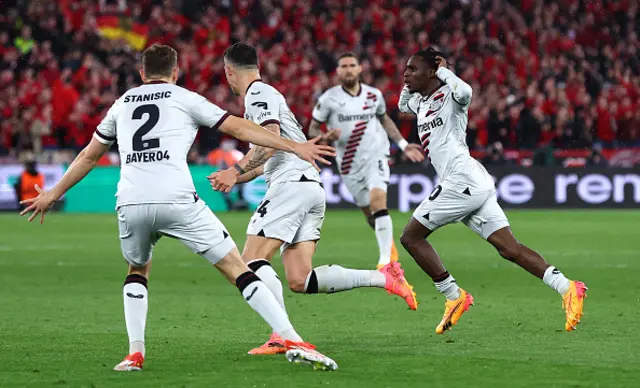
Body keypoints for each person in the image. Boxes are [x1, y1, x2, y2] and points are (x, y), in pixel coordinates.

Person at [19, 44, 339, 372]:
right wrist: (293, 145)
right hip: (177, 198)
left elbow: (89, 155)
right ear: (175, 73)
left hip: (131, 201)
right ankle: (291, 338)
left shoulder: (122, 103)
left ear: (142, 74)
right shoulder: (184, 97)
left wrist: (53, 193)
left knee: (137, 270)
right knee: (237, 267)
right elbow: (240, 129)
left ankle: (134, 354)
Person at [209, 43, 418, 356]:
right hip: (309, 187)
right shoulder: (267, 95)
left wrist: (235, 168)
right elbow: (269, 156)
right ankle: (384, 277)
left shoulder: (258, 94)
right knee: (300, 278)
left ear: (229, 71)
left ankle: (282, 335)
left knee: (250, 261)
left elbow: (266, 144)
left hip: (291, 186)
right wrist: (236, 177)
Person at [397, 48, 587, 334]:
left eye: (412, 69)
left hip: (461, 180)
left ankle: (453, 296)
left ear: (432, 72)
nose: (406, 73)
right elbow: (402, 105)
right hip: (471, 181)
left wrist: (443, 70)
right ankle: (568, 287)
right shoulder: (420, 103)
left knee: (411, 237)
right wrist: (412, 81)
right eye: (406, 69)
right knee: (509, 249)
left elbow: (467, 91)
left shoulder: (452, 96)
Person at [308, 52, 424, 269]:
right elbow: (312, 127)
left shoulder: (373, 95)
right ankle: (387, 245)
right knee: (369, 212)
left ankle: (385, 262)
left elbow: (384, 119)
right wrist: (324, 137)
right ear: (338, 71)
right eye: (344, 66)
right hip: (349, 163)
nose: (349, 69)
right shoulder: (328, 99)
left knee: (378, 200)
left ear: (360, 69)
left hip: (376, 155)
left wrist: (403, 144)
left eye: (352, 65)